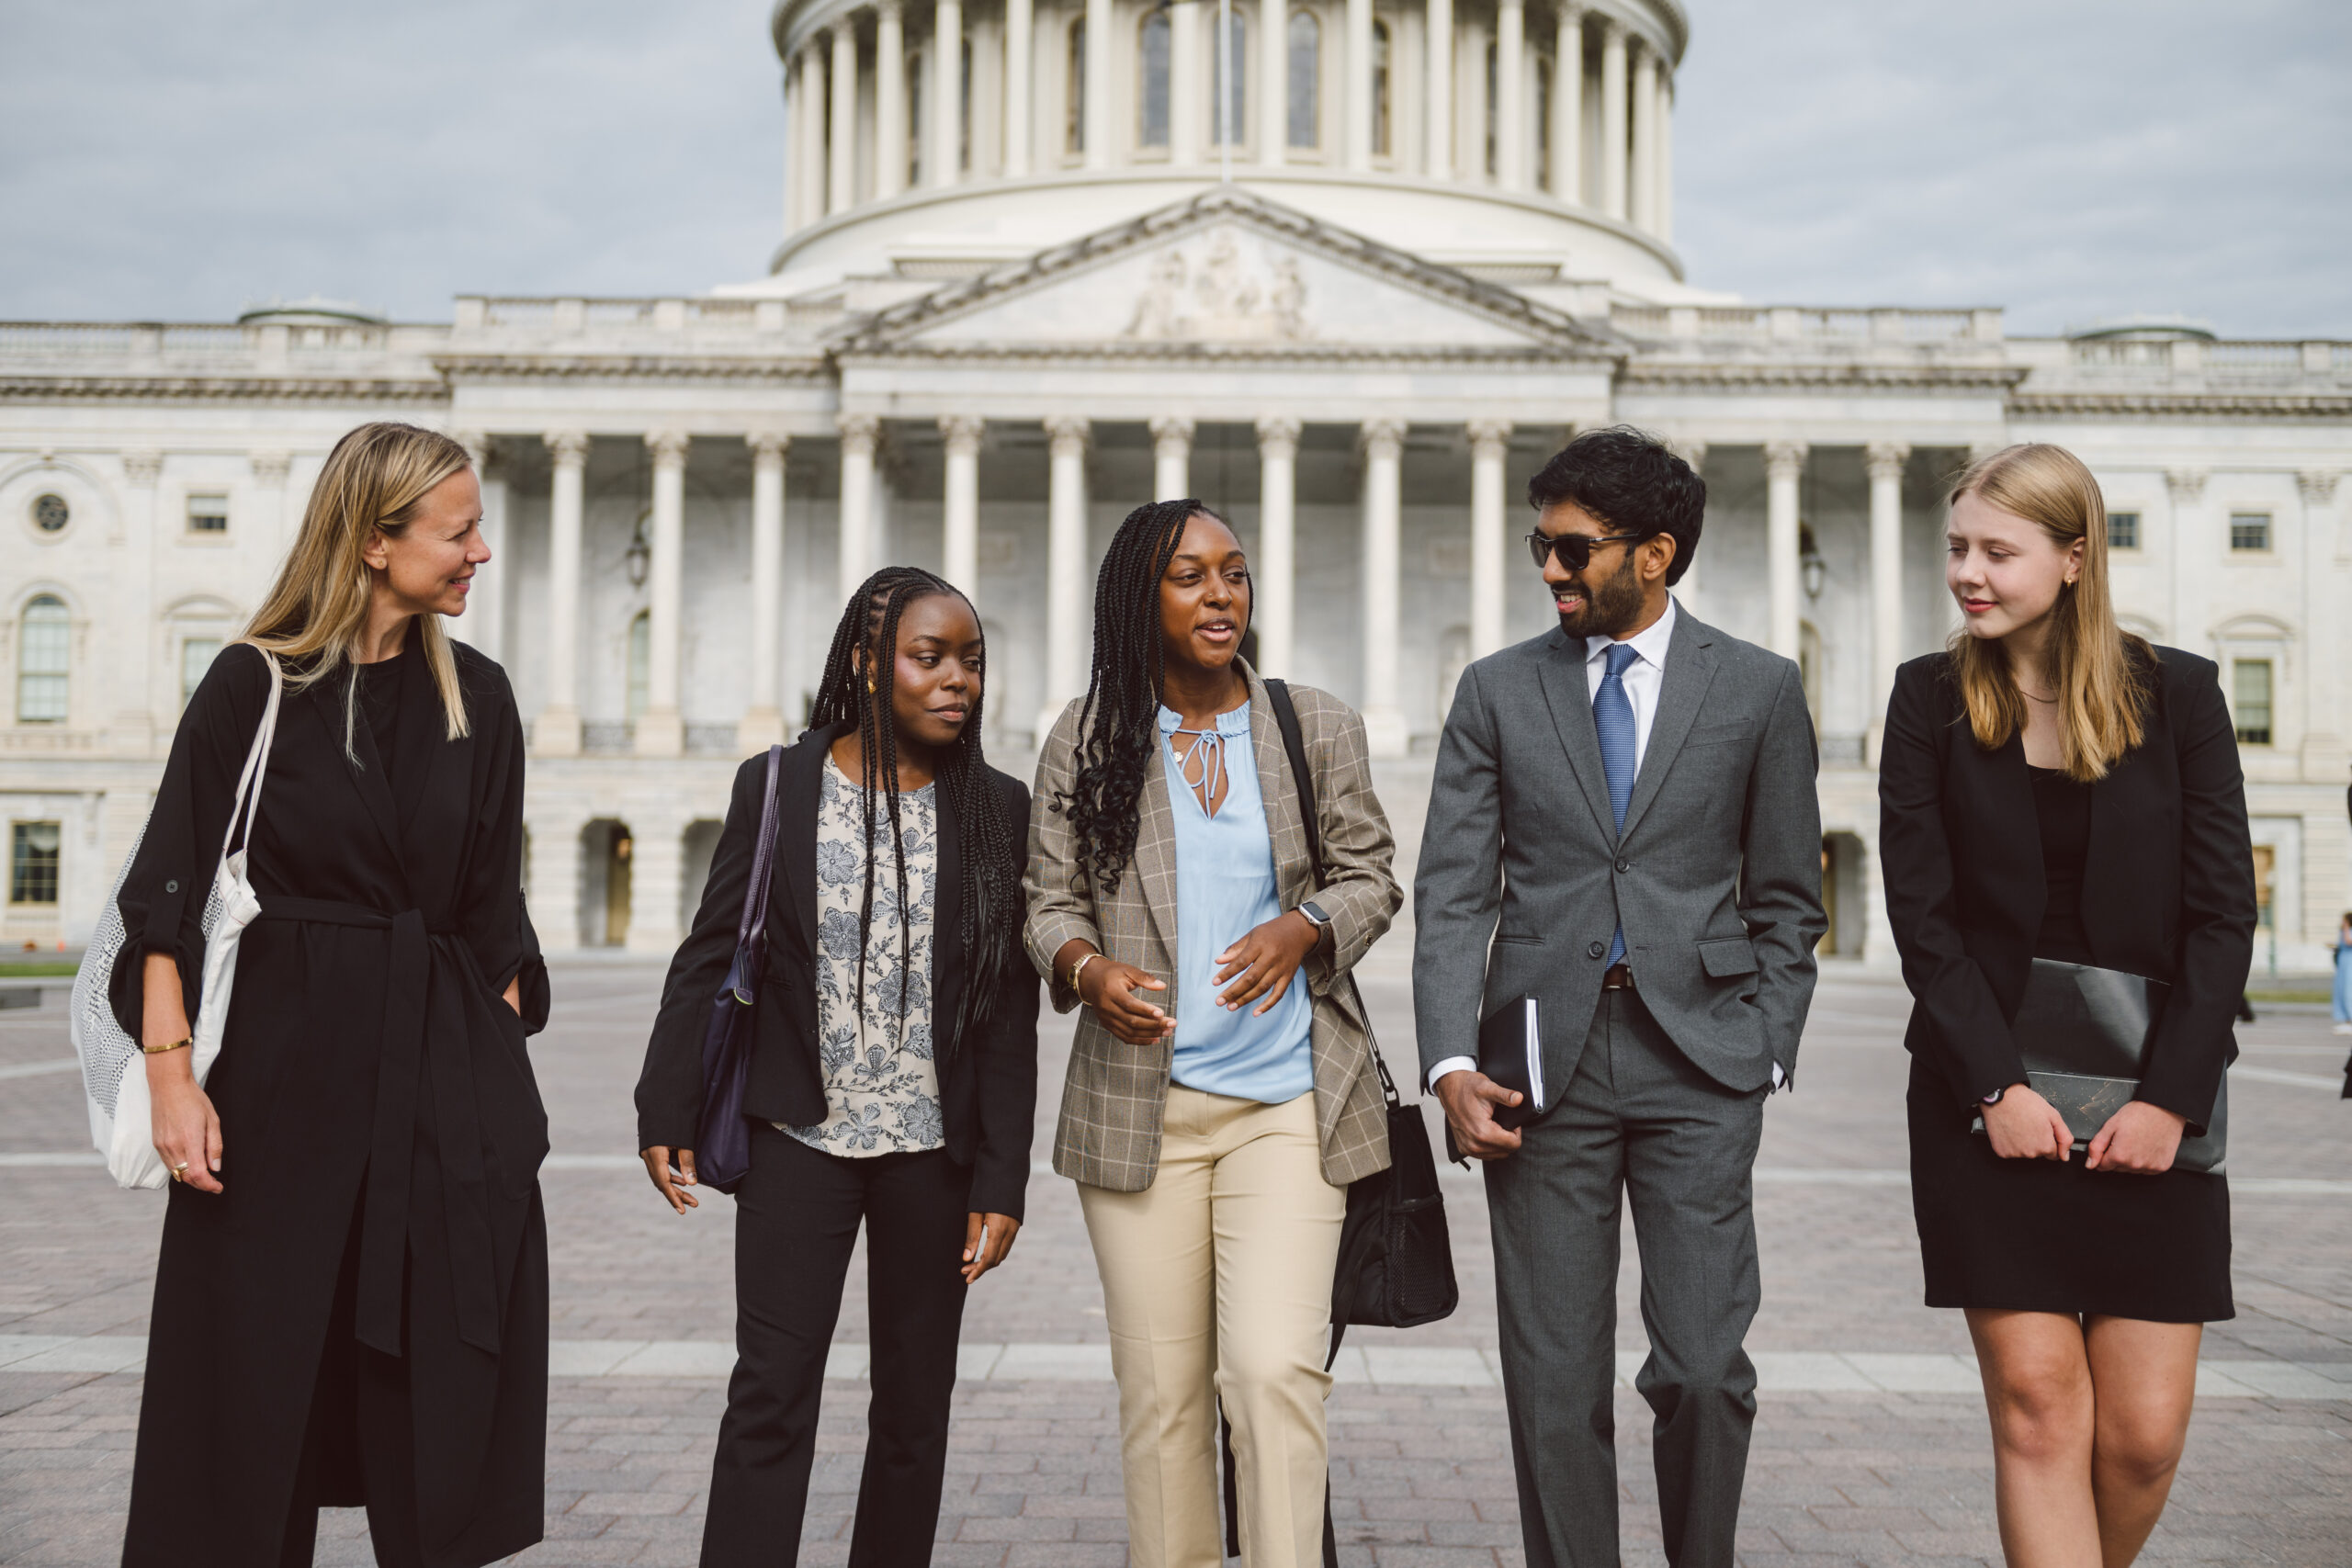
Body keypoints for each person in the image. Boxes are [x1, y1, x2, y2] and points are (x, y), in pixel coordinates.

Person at [112, 422, 549, 1568]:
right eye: (457, 534)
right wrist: (171, 1082)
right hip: (274, 1095)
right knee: (249, 1400)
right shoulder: (251, 684)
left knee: (441, 1406)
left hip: (441, 1091)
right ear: (372, 541)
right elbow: (165, 893)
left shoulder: (483, 700)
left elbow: (496, 920)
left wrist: (499, 1102)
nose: (479, 555)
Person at [1414, 426, 1824, 1568]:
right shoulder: (1495, 689)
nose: (1548, 568)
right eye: (1538, 544)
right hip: (1537, 1069)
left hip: (1704, 1064)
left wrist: (1767, 1043)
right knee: (1553, 1385)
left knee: (1701, 1369)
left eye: (1572, 547)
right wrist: (1450, 1061)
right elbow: (1450, 892)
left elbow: (1791, 893)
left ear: (1656, 553)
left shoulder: (1757, 688)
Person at [1879, 443, 2255, 1568]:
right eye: (1957, 548)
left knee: (2140, 1439)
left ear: (2074, 558)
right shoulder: (1926, 698)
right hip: (1984, 1105)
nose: (1967, 573)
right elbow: (1924, 922)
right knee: (2040, 1410)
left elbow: (2220, 917)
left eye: (1998, 551)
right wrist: (1995, 1084)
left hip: (2152, 1103)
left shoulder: (2178, 693)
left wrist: (2169, 1102)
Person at [634, 566, 1039, 1566]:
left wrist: (1002, 1176)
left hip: (932, 1153)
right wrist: (665, 1104)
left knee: (914, 1408)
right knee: (770, 1393)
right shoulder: (777, 783)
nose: (958, 682)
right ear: (867, 664)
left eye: (971, 662)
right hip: (797, 1137)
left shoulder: (997, 806)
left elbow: (1004, 1011)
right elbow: (710, 949)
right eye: (929, 657)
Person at [1024, 500, 1400, 1568]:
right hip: (1139, 1115)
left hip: (1286, 1105)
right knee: (1161, 1398)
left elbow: (1372, 876)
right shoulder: (1086, 738)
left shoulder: (1310, 723)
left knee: (1274, 1374)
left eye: (1233, 573)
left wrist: (1306, 925)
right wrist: (1088, 971)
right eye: (1190, 576)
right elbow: (1046, 904)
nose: (1221, 593)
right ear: (1138, 598)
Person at [2330, 911, 2351, 1036]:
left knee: (2349, 992)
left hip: (2350, 964)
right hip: (2343, 963)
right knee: (2341, 991)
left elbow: (2349, 941)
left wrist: (2346, 928)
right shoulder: (2343, 931)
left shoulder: (2348, 931)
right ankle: (2346, 1020)